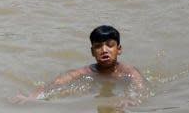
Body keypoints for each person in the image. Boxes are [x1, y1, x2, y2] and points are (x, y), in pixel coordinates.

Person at [12, 25, 147, 105]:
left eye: (110, 45)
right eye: (98, 46)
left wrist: (131, 99)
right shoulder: (86, 72)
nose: (104, 50)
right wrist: (31, 97)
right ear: (92, 52)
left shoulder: (128, 72)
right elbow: (55, 84)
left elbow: (140, 88)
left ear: (119, 49)